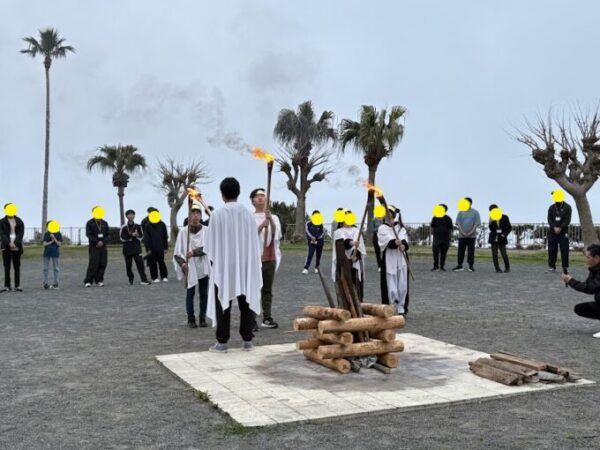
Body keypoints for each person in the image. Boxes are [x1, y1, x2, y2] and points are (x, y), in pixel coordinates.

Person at [205, 177, 262, 353]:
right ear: (238, 192)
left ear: (222, 194)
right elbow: (254, 242)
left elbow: (210, 244)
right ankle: (247, 339)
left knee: (223, 300)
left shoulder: (217, 214)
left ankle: (222, 341)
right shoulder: (248, 214)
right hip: (245, 264)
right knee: (246, 301)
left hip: (224, 265)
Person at [173, 201, 210, 328]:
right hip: (190, 266)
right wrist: (183, 264)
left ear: (201, 216)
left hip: (203, 266)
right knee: (190, 294)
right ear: (189, 215)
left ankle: (202, 318)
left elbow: (209, 248)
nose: (195, 215)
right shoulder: (183, 232)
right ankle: (191, 318)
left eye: (197, 213)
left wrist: (194, 252)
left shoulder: (206, 231)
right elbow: (177, 252)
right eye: (193, 213)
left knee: (204, 293)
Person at [251, 188, 282, 329]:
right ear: (252, 200)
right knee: (253, 289)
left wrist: (270, 221)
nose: (260, 198)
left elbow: (277, 236)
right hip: (254, 258)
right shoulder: (250, 217)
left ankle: (267, 317)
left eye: (263, 196)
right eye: (257, 196)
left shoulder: (273, 217)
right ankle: (251, 319)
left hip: (269, 257)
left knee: (267, 289)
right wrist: (261, 226)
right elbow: (249, 237)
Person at [562, 244, 600, 338]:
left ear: (597, 258)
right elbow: (587, 285)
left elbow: (591, 288)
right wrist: (570, 280)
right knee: (581, 308)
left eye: (588, 257)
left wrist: (571, 281)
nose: (586, 260)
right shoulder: (595, 269)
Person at [378, 205, 410, 315]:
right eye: (386, 213)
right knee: (390, 282)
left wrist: (404, 245)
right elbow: (384, 241)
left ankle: (401, 307)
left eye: (389, 212)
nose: (387, 215)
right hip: (389, 257)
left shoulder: (400, 227)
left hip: (401, 257)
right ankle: (390, 306)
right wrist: (394, 242)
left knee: (402, 283)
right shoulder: (382, 228)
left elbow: (404, 239)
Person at [331, 210, 366, 302]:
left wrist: (355, 254)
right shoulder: (338, 232)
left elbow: (360, 247)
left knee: (356, 286)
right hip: (343, 264)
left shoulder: (357, 231)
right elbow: (342, 243)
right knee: (344, 287)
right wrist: (352, 243)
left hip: (355, 264)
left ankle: (358, 304)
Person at [120, 210, 150, 286]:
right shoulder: (123, 227)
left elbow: (141, 236)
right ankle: (131, 279)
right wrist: (131, 235)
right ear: (126, 216)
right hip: (127, 249)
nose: (131, 216)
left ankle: (144, 280)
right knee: (128, 266)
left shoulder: (138, 226)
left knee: (140, 264)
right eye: (129, 215)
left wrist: (137, 235)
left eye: (132, 214)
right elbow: (122, 238)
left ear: (134, 216)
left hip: (136, 248)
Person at [0, 204, 24, 292]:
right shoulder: (2, 222)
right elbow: (2, 234)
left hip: (17, 246)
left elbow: (21, 234)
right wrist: (9, 243)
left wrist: (15, 243)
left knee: (17, 266)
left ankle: (17, 286)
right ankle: (7, 286)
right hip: (6, 247)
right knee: (7, 267)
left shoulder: (19, 221)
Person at [452, 198, 481, 272]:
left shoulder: (475, 212)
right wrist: (463, 233)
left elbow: (476, 224)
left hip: (472, 236)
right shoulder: (460, 212)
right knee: (460, 251)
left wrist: (470, 233)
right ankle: (459, 265)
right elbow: (458, 224)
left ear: (470, 203)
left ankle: (471, 266)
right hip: (461, 236)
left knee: (471, 251)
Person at [547, 193, 572, 274]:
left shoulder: (568, 207)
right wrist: (554, 227)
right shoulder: (551, 207)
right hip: (552, 232)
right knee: (552, 249)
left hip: (563, 232)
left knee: (564, 249)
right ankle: (552, 267)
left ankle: (565, 267)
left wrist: (561, 227)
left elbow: (567, 220)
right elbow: (549, 219)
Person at [84, 207, 109, 287]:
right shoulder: (89, 223)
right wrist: (97, 241)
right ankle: (88, 281)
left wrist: (103, 242)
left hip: (103, 247)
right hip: (94, 246)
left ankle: (99, 280)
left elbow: (107, 234)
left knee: (103, 263)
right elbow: (89, 234)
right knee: (93, 263)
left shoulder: (104, 223)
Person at [143, 210, 169, 283]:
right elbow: (146, 238)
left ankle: (164, 276)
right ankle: (154, 277)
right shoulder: (148, 225)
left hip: (161, 247)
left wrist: (166, 247)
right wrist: (147, 249)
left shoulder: (162, 224)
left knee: (161, 262)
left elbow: (165, 236)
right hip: (151, 248)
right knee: (152, 263)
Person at [488, 204, 512, 273]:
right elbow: (491, 229)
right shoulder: (491, 218)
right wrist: (491, 222)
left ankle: (507, 268)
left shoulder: (505, 217)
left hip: (502, 237)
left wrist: (504, 234)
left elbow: (509, 227)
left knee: (504, 254)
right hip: (494, 237)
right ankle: (497, 268)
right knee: (494, 254)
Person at [430, 204, 452, 272]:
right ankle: (435, 266)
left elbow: (450, 229)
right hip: (436, 238)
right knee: (435, 252)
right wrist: (433, 235)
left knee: (443, 253)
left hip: (445, 239)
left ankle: (442, 266)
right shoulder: (435, 218)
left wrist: (449, 239)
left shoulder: (448, 218)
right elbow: (432, 227)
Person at [303, 210, 324, 275]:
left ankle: (317, 267)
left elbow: (322, 232)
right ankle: (306, 268)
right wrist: (312, 237)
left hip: (319, 242)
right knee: (310, 254)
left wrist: (316, 237)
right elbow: (307, 231)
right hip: (311, 242)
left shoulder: (320, 224)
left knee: (318, 255)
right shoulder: (308, 223)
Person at [42, 222, 62, 289]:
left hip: (55, 253)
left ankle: (56, 283)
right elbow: (44, 244)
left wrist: (54, 238)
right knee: (45, 268)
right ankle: (45, 283)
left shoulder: (58, 234)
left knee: (56, 268)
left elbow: (59, 244)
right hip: (46, 253)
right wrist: (51, 241)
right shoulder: (46, 234)